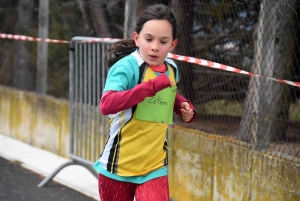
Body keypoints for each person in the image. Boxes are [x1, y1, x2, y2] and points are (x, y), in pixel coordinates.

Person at [93, 4, 197, 201]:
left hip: (154, 166)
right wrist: (151, 86)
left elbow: (168, 94)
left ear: (173, 45)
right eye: (148, 39)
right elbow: (106, 104)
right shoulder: (127, 67)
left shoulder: (172, 68)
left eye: (163, 41)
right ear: (136, 38)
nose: (155, 47)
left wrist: (182, 106)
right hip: (118, 167)